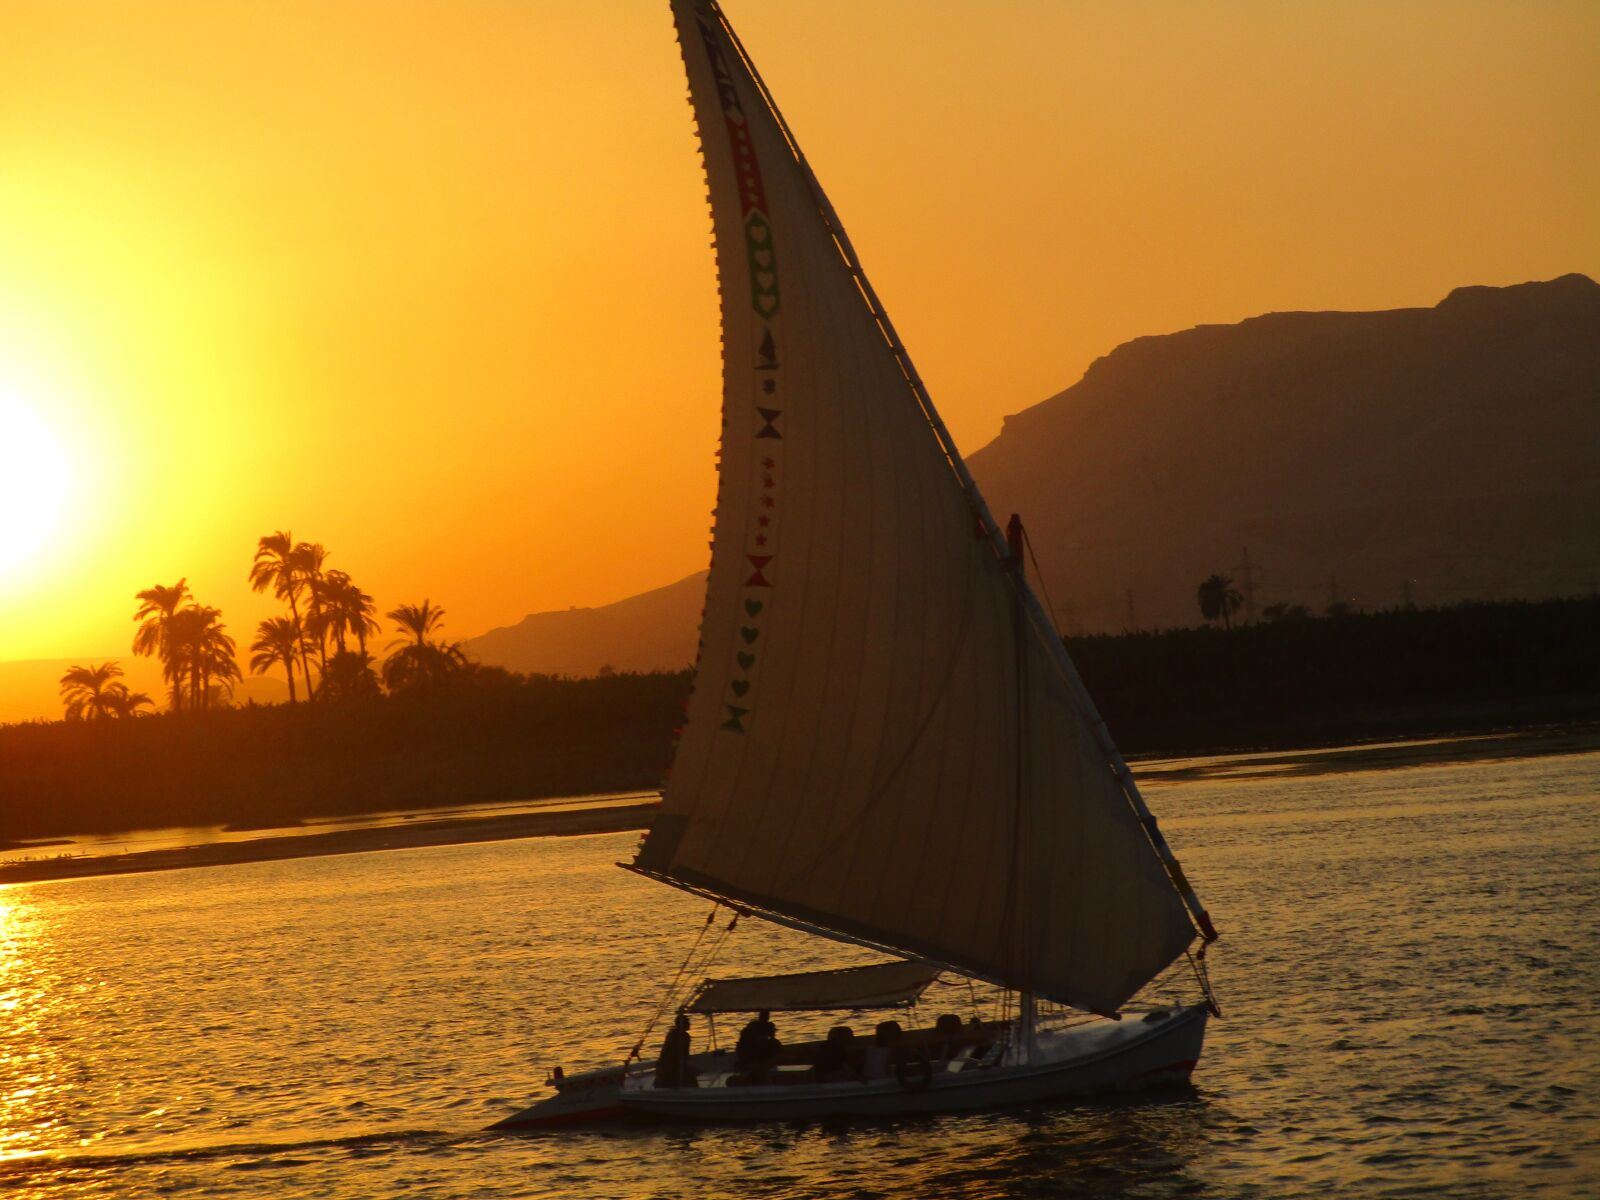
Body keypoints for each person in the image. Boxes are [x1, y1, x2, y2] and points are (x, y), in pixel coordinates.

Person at [735, 1008, 782, 1082]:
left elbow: (773, 1039)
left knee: (774, 1045)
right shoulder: (754, 1028)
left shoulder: (766, 1026)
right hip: (751, 1054)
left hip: (753, 1054)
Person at [654, 1013, 699, 1089]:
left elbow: (685, 1054)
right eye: (687, 1022)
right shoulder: (675, 1035)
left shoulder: (685, 1036)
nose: (689, 1024)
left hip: (676, 1063)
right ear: (682, 1024)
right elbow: (672, 1052)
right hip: (671, 1065)